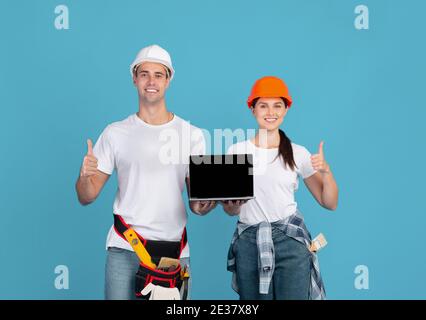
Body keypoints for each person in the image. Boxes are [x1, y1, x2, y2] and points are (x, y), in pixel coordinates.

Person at [75, 44, 216, 300]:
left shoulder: (192, 135)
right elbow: (86, 196)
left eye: (158, 75)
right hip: (124, 248)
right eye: (144, 74)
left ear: (169, 79)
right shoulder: (115, 132)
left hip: (174, 254)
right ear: (134, 79)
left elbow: (197, 205)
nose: (151, 81)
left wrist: (209, 202)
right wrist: (85, 176)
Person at [223, 76, 338, 300]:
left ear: (285, 110)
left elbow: (329, 202)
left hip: (291, 243)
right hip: (249, 241)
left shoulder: (298, 153)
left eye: (277, 105)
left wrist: (326, 171)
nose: (270, 112)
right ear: (253, 109)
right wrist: (233, 205)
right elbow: (231, 210)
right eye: (263, 105)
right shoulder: (236, 151)